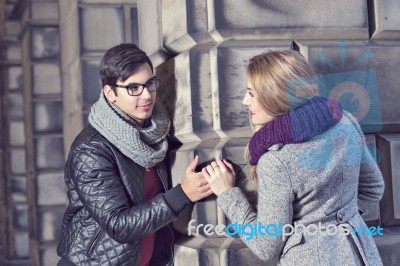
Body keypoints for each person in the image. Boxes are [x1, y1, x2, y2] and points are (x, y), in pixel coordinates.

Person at [202, 50, 385, 265]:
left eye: (251, 93)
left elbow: (266, 246)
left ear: (274, 95)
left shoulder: (277, 161)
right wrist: (341, 224)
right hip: (361, 255)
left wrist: (227, 193)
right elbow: (373, 189)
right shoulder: (345, 121)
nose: (244, 101)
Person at [57, 43, 212, 266]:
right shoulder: (91, 149)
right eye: (133, 88)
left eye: (150, 83)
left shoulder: (155, 132)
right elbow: (119, 226)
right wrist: (184, 194)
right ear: (110, 92)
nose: (146, 95)